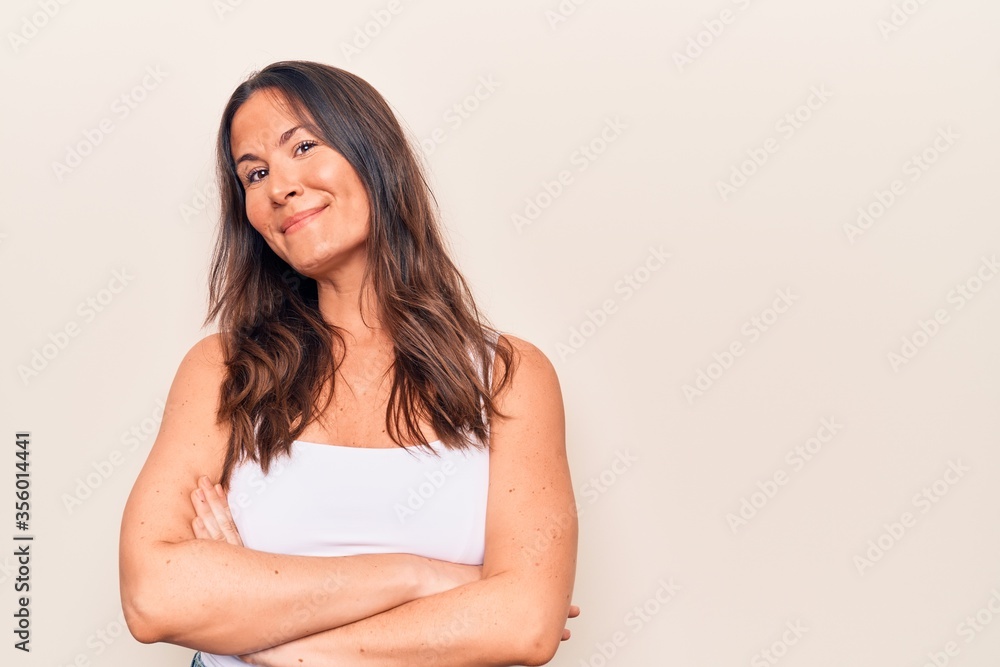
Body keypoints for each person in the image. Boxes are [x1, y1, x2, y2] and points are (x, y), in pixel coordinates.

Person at [118, 60, 579, 666]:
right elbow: (154, 598)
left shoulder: (508, 376)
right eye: (253, 174)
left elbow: (524, 625)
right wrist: (418, 577)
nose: (277, 187)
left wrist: (269, 642)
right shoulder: (224, 370)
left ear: (374, 156)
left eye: (303, 146)